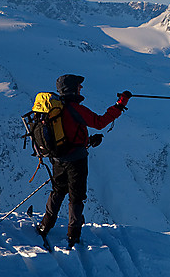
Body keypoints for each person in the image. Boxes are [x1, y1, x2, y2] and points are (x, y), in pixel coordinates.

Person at [36, 74, 132, 248]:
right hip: (76, 160)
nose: (81, 88)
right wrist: (120, 104)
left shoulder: (54, 109)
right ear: (71, 89)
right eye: (79, 86)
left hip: (57, 158)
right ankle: (73, 235)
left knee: (57, 191)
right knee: (76, 197)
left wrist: (86, 141)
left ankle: (45, 226)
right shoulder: (75, 109)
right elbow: (100, 122)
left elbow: (65, 135)